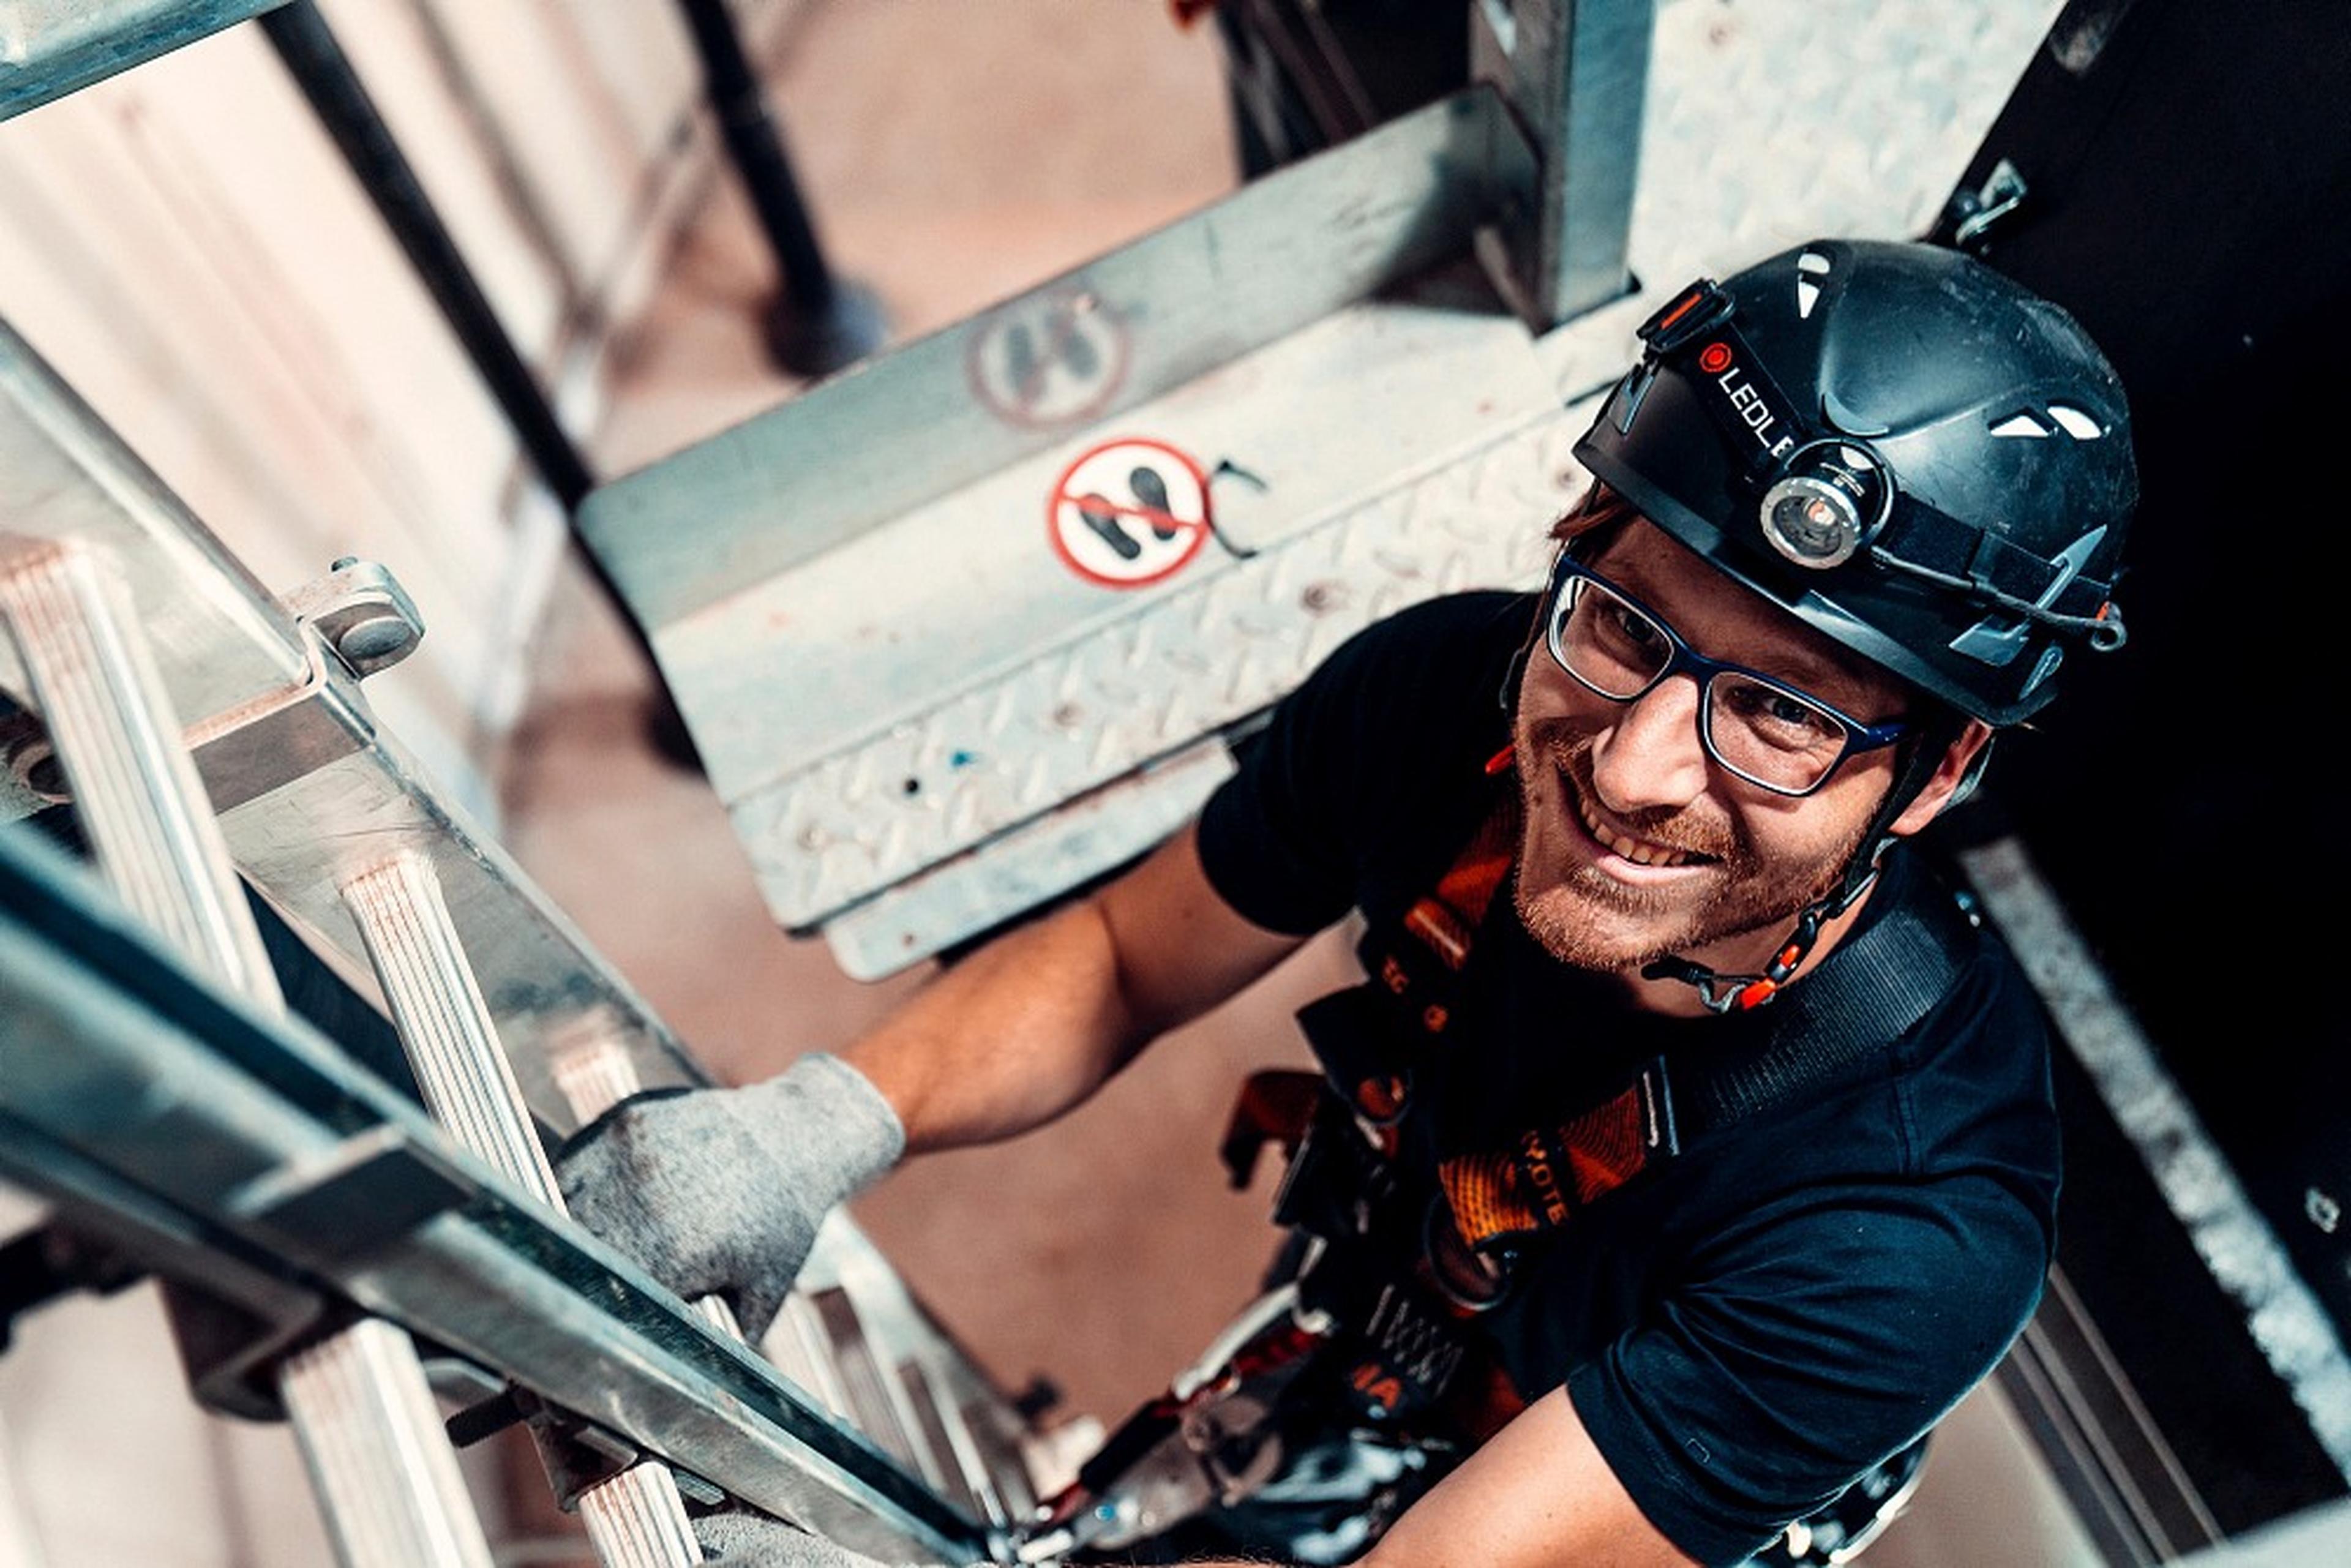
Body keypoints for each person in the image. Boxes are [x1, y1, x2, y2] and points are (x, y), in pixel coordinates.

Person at [557, 236, 2139, 1568]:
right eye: (1627, 625)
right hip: (1409, 1290)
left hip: (1626, 1470)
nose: (1637, 766)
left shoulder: (1913, 1227)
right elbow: (1121, 960)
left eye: (1785, 714)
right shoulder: (1450, 692)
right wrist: (826, 1119)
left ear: (1932, 777)